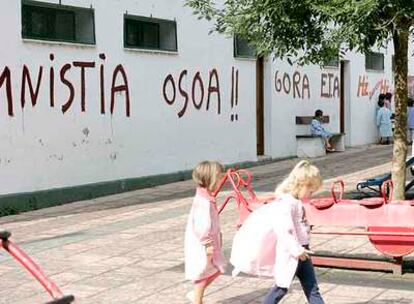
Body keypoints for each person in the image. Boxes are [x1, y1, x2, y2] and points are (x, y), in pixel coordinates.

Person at [230, 160, 325, 304]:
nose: (311, 194)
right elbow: (283, 230)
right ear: (301, 184)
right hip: (292, 253)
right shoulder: (286, 203)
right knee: (282, 287)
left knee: (311, 287)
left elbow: (296, 225)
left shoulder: (295, 202)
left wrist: (305, 230)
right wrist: (297, 250)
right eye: (310, 191)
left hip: (303, 250)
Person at [184, 161, 226, 304]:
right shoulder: (203, 201)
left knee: (216, 269)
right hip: (203, 243)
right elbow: (202, 225)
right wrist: (207, 244)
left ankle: (194, 294)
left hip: (209, 241)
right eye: (219, 176)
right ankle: (197, 299)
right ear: (211, 178)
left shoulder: (206, 197)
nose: (221, 180)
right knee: (204, 272)